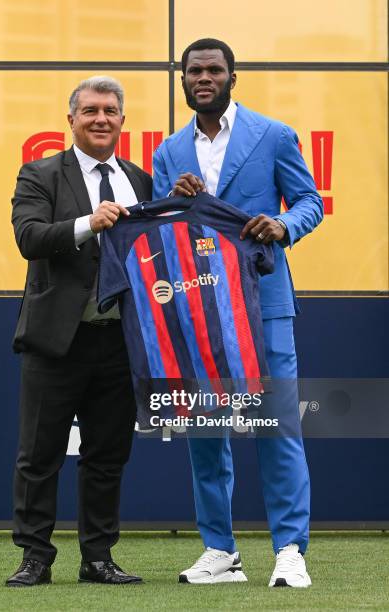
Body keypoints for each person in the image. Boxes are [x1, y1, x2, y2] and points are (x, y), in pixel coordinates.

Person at [153, 39, 323, 587]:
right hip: (198, 304)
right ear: (182, 81)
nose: (204, 77)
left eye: (214, 70)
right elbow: (161, 232)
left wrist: (283, 226)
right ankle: (220, 552)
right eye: (194, 71)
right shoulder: (168, 153)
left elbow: (309, 202)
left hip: (265, 303)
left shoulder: (272, 135)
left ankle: (290, 550)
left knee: (278, 427)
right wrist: (173, 202)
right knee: (206, 428)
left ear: (232, 76)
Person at [6, 76, 152, 587]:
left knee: (107, 457)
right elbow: (29, 238)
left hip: (119, 342)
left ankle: (98, 559)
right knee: (38, 457)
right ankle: (35, 558)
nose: (100, 119)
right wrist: (89, 222)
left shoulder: (139, 178)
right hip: (56, 342)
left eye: (110, 110)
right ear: (70, 120)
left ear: (121, 121)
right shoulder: (40, 173)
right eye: (89, 110)